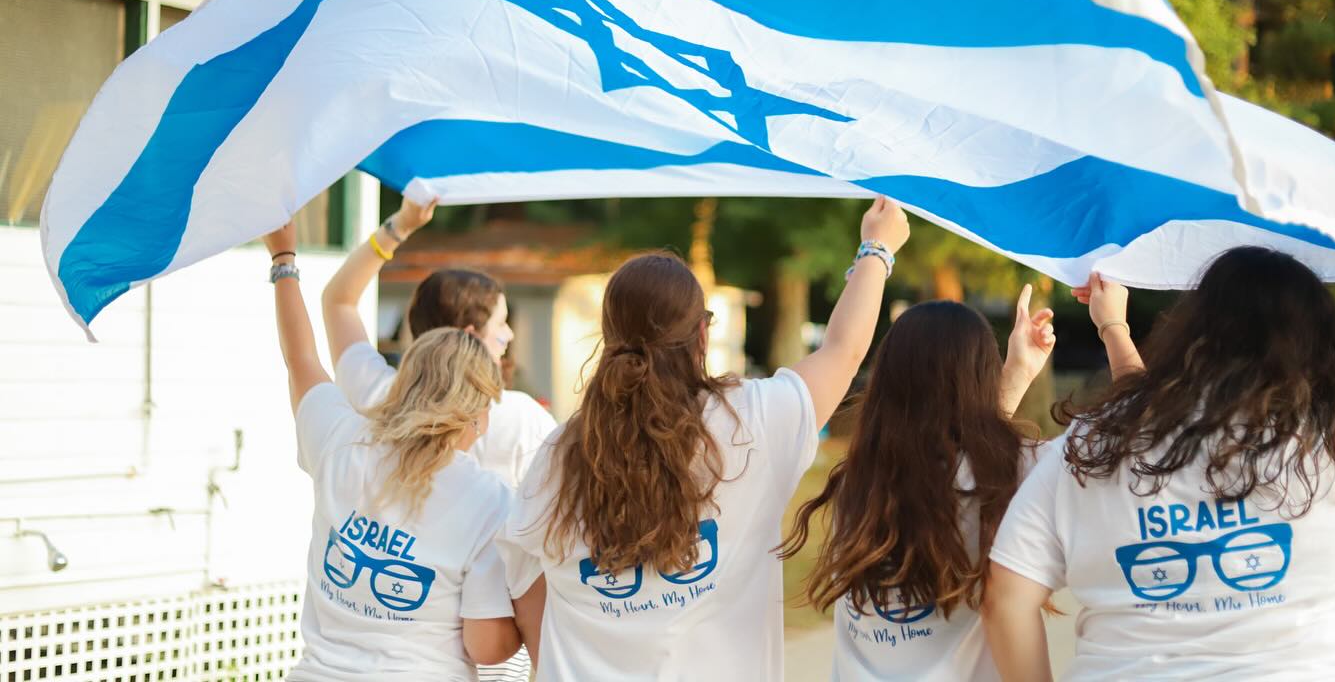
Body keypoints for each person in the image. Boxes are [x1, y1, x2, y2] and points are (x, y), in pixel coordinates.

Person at [496, 197, 911, 681]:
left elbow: (524, 585)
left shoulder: (558, 455)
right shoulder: (752, 422)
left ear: (609, 337)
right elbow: (844, 350)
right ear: (702, 334)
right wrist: (876, 248)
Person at [985, 248, 1335, 681]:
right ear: (1324, 336)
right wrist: (1113, 327)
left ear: (1194, 333)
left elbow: (1008, 595)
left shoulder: (1092, 443)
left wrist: (1113, 327)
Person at [262, 220, 541, 681]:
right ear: (476, 413)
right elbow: (485, 646)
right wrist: (523, 624)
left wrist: (283, 261)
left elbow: (301, 358)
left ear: (406, 379)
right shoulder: (489, 502)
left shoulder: (340, 438)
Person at [778, 285, 1059, 681]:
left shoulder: (857, 483)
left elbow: (958, 463)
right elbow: (1121, 447)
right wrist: (1111, 325)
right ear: (981, 377)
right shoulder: (1020, 469)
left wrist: (1017, 375)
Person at [321, 198, 557, 490]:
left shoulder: (378, 392)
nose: (509, 335)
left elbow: (338, 301)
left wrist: (399, 227)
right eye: (501, 323)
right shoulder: (521, 418)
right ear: (469, 337)